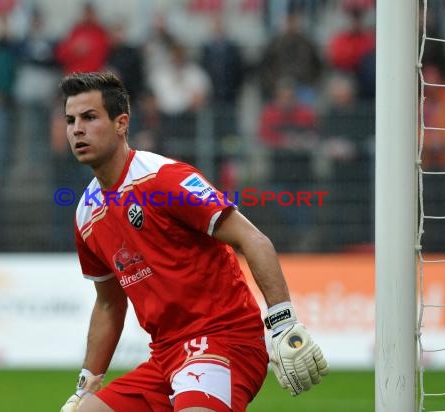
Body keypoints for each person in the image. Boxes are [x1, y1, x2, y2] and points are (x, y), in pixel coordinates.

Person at [58, 72, 328, 412]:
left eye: (89, 117)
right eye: (70, 120)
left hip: (225, 339)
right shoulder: (86, 214)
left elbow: (252, 239)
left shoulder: (165, 179)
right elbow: (109, 304)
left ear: (121, 123)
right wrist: (87, 384)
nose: (77, 129)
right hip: (165, 356)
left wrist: (284, 322)